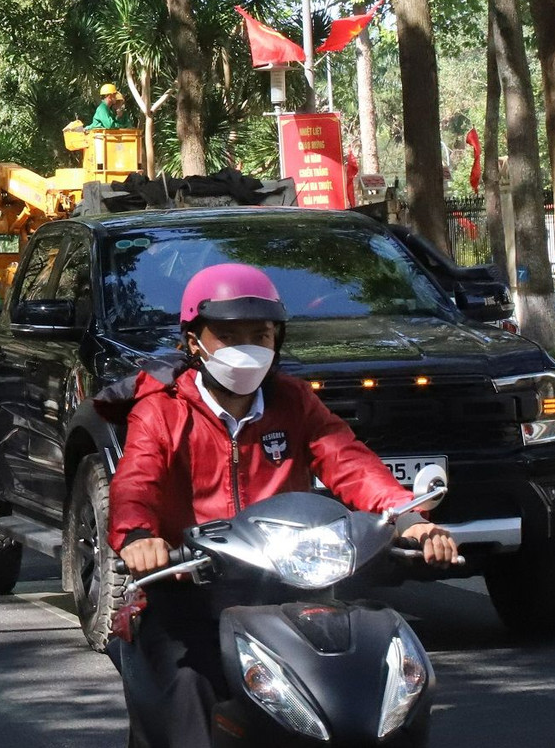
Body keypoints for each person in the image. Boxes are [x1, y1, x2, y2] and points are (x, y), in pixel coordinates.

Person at [107, 263, 458, 748]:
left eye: (260, 334)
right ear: (194, 342)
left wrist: (407, 519)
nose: (246, 347)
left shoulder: (294, 401)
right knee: (187, 696)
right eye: (229, 335)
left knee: (372, 682)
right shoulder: (162, 409)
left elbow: (349, 463)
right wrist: (139, 537)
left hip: (289, 591)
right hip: (189, 596)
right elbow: (135, 480)